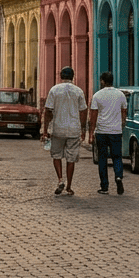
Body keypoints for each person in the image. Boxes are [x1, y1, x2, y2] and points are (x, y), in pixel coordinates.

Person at [40, 66, 88, 196]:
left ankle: (60, 179)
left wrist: (45, 130)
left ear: (60, 76)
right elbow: (83, 111)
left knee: (56, 156)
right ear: (73, 77)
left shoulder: (54, 90)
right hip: (73, 129)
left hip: (58, 129)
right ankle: (69, 186)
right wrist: (83, 128)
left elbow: (48, 111)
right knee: (71, 158)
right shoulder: (78, 91)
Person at [89, 71, 128, 195]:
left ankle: (104, 187)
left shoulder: (97, 95)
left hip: (101, 131)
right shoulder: (120, 95)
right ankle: (118, 177)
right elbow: (124, 112)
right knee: (117, 157)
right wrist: (122, 124)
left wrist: (91, 133)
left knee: (102, 159)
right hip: (116, 131)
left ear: (102, 81)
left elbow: (93, 116)